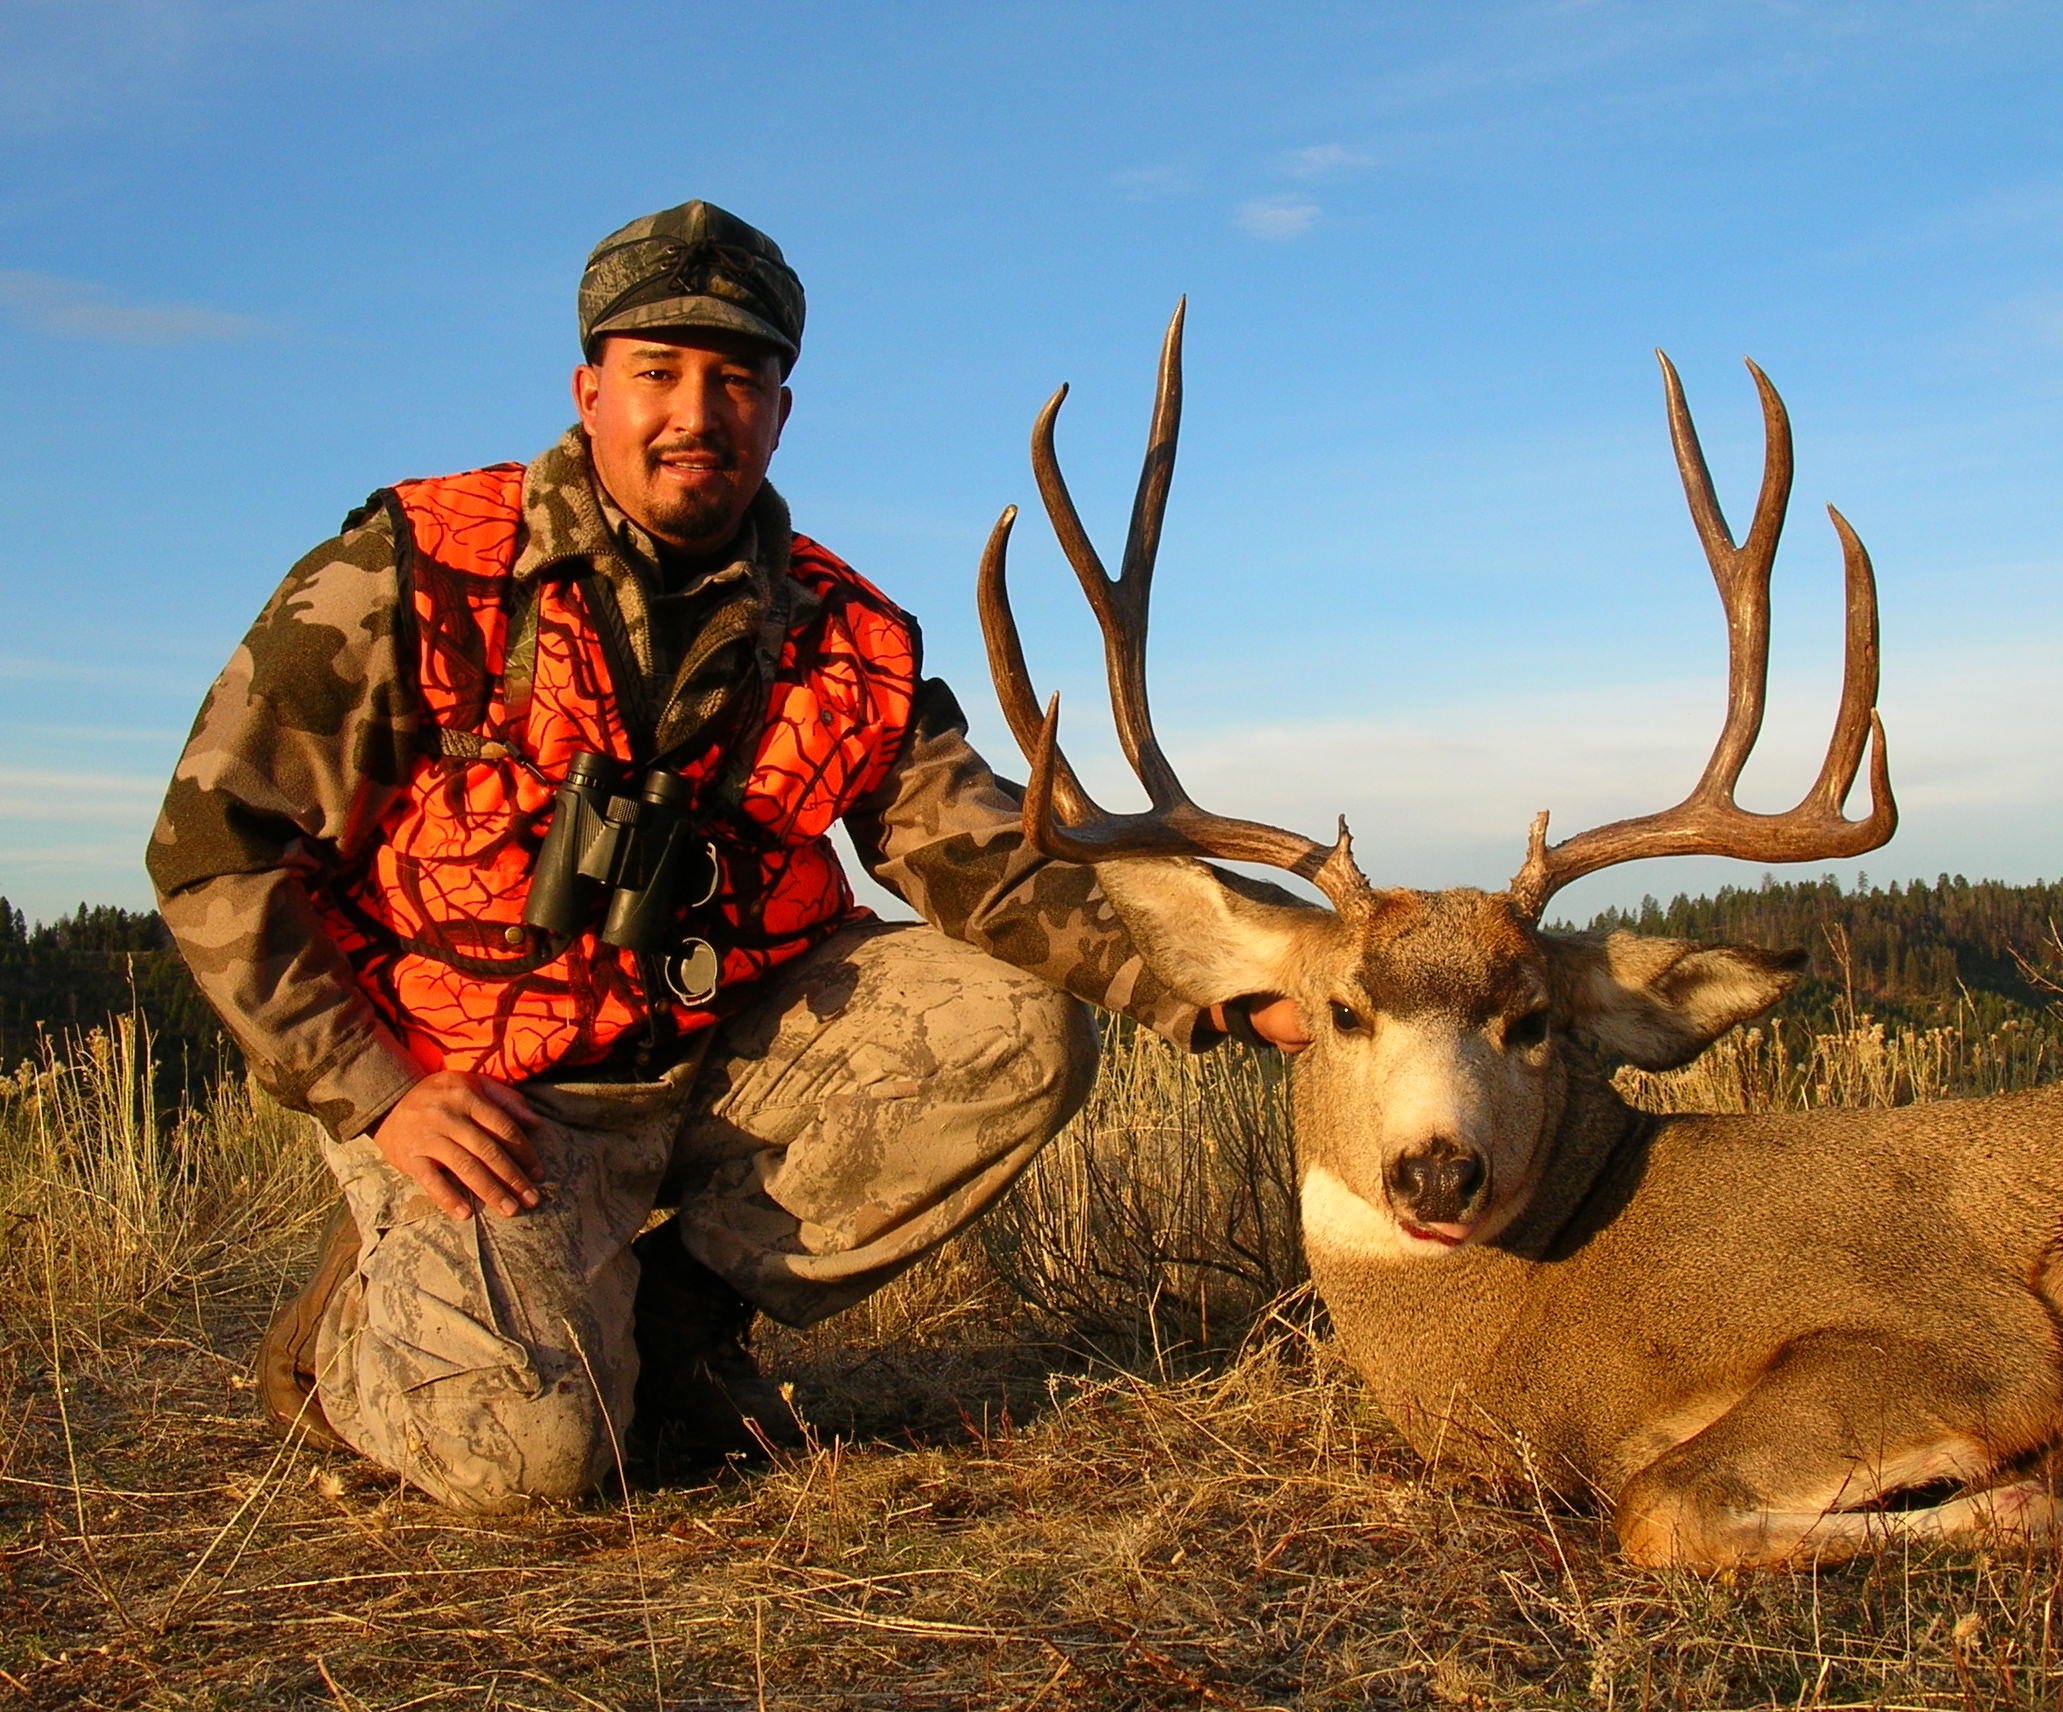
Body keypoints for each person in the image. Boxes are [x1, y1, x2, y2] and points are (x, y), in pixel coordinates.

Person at [147, 201, 1298, 1513]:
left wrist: (1227, 980)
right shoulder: (409, 571)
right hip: (478, 1104)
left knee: (1017, 1024)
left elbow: (995, 867)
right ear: (591, 391)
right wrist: (375, 1088)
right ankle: (351, 1338)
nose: (699, 411)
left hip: (710, 1067)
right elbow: (212, 839)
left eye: (737, 379)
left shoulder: (848, 630)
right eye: (660, 373)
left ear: (779, 412)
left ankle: (676, 1323)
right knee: (531, 1468)